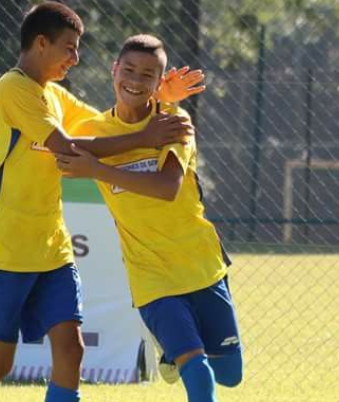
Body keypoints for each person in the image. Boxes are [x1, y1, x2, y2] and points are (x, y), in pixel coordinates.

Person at [0, 3, 204, 402]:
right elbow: (67, 147)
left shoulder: (55, 96)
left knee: (71, 349)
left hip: (54, 251)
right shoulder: (12, 88)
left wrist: (159, 100)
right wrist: (145, 138)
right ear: (41, 43)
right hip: (6, 253)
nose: (76, 58)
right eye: (70, 47)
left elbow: (105, 128)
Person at [54, 34, 244, 402]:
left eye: (147, 75)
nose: (135, 81)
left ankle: (172, 351)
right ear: (114, 71)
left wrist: (97, 170)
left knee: (230, 375)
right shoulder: (92, 132)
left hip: (201, 264)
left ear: (159, 82)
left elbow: (167, 187)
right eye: (129, 70)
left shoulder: (174, 120)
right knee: (199, 374)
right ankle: (179, 348)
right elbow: (43, 145)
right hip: (151, 276)